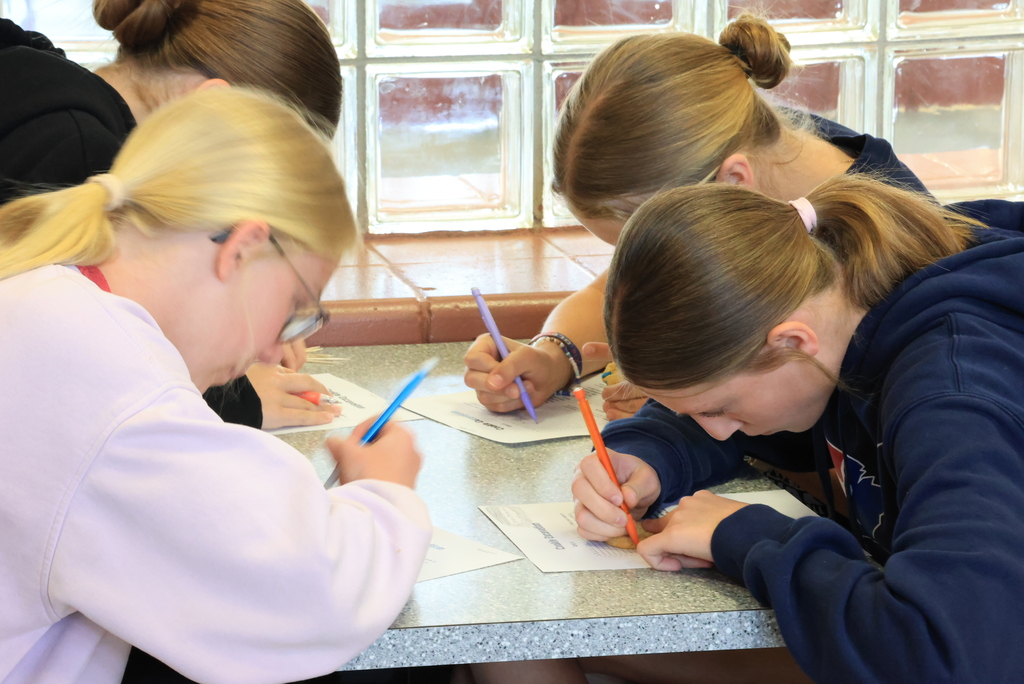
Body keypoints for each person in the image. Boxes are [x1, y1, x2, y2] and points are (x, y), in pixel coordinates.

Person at [0, 87, 431, 684]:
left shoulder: (44, 295)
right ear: (244, 248)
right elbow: (308, 591)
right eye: (294, 306)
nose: (274, 349)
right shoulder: (114, 389)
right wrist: (386, 493)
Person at [572, 175, 1024, 682]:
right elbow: (761, 412)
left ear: (792, 341)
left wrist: (743, 537)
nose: (718, 432)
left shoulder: (954, 401)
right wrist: (652, 452)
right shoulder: (848, 308)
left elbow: (951, 657)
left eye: (719, 408)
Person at [463, 13, 927, 422]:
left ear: (731, 181)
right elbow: (616, 291)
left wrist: (699, 407)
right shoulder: (758, 149)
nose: (638, 269)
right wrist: (554, 354)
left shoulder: (899, 262)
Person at [0, 0, 344, 431]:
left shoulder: (42, 83)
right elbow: (79, 375)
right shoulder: (83, 158)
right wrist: (236, 402)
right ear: (214, 106)